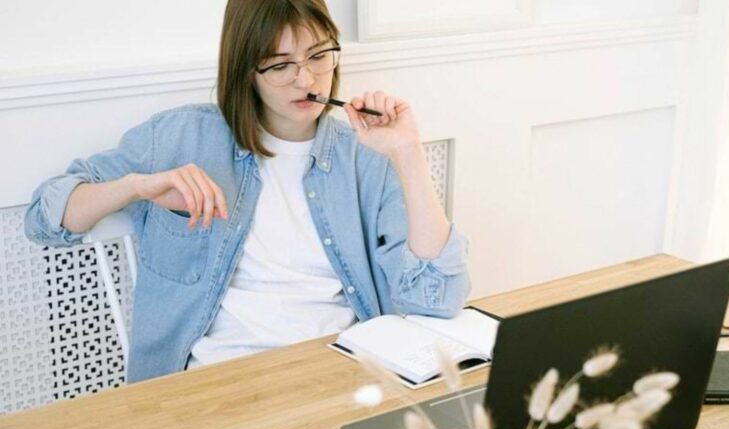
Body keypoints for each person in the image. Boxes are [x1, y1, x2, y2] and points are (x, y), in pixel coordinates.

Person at [24, 0, 470, 383]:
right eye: (280, 65)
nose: (306, 80)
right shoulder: (181, 137)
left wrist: (408, 153)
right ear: (246, 71)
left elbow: (436, 298)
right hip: (219, 382)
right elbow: (45, 219)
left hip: (341, 373)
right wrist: (136, 187)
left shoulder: (365, 156)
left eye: (319, 56)